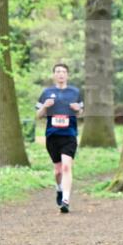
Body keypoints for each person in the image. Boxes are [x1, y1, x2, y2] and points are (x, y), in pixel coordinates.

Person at [35, 63, 83, 214]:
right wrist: (45, 106)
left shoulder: (75, 92)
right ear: (54, 75)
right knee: (57, 171)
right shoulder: (47, 92)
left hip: (69, 134)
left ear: (67, 75)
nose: (61, 74)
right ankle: (59, 189)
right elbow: (38, 115)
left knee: (66, 167)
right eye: (58, 71)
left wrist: (78, 109)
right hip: (52, 135)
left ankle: (66, 200)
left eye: (63, 72)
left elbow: (80, 113)